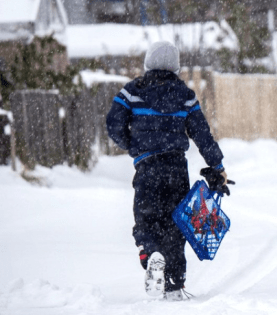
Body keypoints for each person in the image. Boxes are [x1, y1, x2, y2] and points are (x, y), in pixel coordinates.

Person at [106, 41, 233, 301]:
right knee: (176, 225)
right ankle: (174, 283)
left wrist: (132, 146)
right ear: (176, 66)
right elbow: (202, 134)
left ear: (148, 62)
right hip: (176, 169)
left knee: (146, 220)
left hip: (147, 168)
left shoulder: (132, 92)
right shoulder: (184, 95)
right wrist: (217, 166)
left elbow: (113, 124)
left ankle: (150, 252)